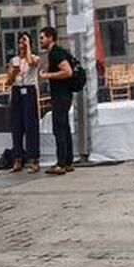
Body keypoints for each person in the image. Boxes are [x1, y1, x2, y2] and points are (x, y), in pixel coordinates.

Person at [41, 26, 77, 175]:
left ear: (50, 38)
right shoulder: (57, 52)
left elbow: (67, 71)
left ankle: (61, 163)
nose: (41, 40)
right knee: (64, 127)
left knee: (59, 128)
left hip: (61, 96)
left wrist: (48, 75)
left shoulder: (56, 53)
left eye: (42, 37)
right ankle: (68, 161)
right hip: (64, 95)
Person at [5, 32, 41, 172]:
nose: (22, 45)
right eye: (20, 42)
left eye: (24, 42)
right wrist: (13, 73)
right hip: (16, 91)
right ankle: (18, 158)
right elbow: (8, 82)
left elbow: (31, 63)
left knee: (30, 124)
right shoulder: (14, 60)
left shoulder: (34, 58)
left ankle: (34, 159)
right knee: (17, 125)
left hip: (29, 90)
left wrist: (28, 47)